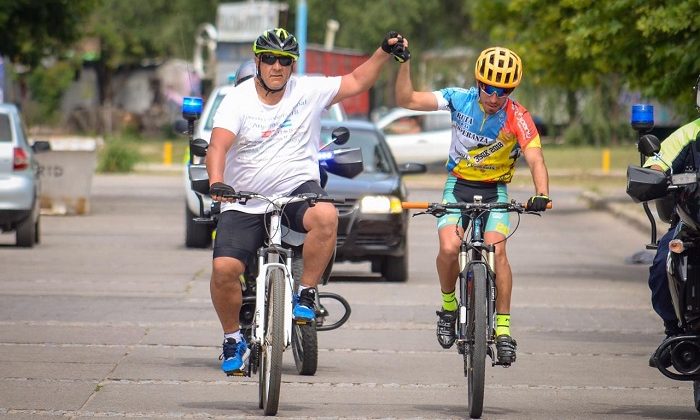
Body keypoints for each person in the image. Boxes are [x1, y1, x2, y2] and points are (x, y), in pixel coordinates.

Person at [206, 27, 408, 375]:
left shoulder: (308, 91)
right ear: (257, 61)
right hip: (244, 200)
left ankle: (306, 294)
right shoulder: (237, 100)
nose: (277, 67)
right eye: (269, 58)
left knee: (326, 215)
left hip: (295, 191)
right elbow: (218, 145)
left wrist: (382, 52)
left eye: (285, 60)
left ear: (293, 65)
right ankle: (231, 337)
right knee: (224, 270)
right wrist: (217, 182)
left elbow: (359, 80)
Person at [395, 45, 550, 364]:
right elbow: (407, 100)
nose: (494, 96)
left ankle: (504, 329)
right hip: (458, 186)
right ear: (478, 82)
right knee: (450, 248)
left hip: (495, 190)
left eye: (503, 90)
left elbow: (535, 157)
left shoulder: (517, 116)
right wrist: (404, 62)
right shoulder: (457, 98)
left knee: (498, 250)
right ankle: (449, 307)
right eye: (488, 88)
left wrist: (542, 193)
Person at [645, 73, 700, 368]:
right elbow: (658, 162)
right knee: (662, 262)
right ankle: (674, 332)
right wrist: (654, 173)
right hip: (692, 223)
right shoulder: (688, 134)